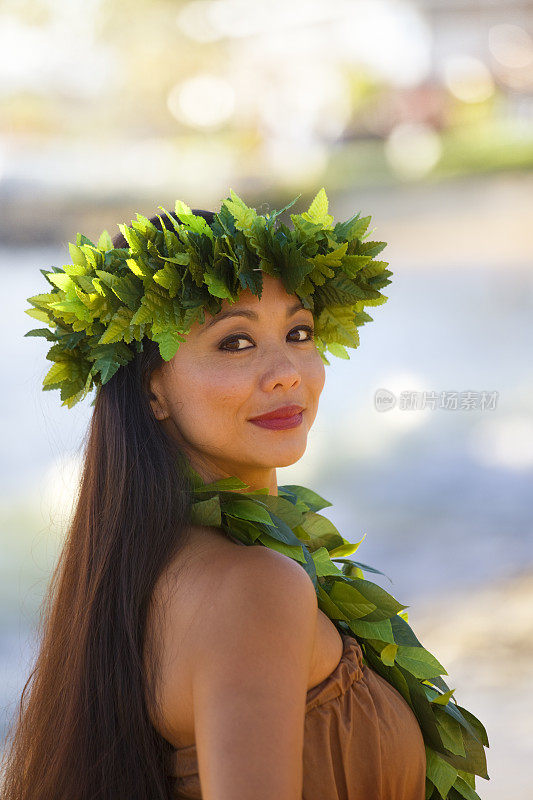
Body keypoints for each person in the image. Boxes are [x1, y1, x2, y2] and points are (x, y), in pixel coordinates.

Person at [3, 193, 488, 800]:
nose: (287, 370)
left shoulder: (145, 575)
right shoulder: (256, 589)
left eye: (299, 331)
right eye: (236, 342)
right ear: (152, 389)